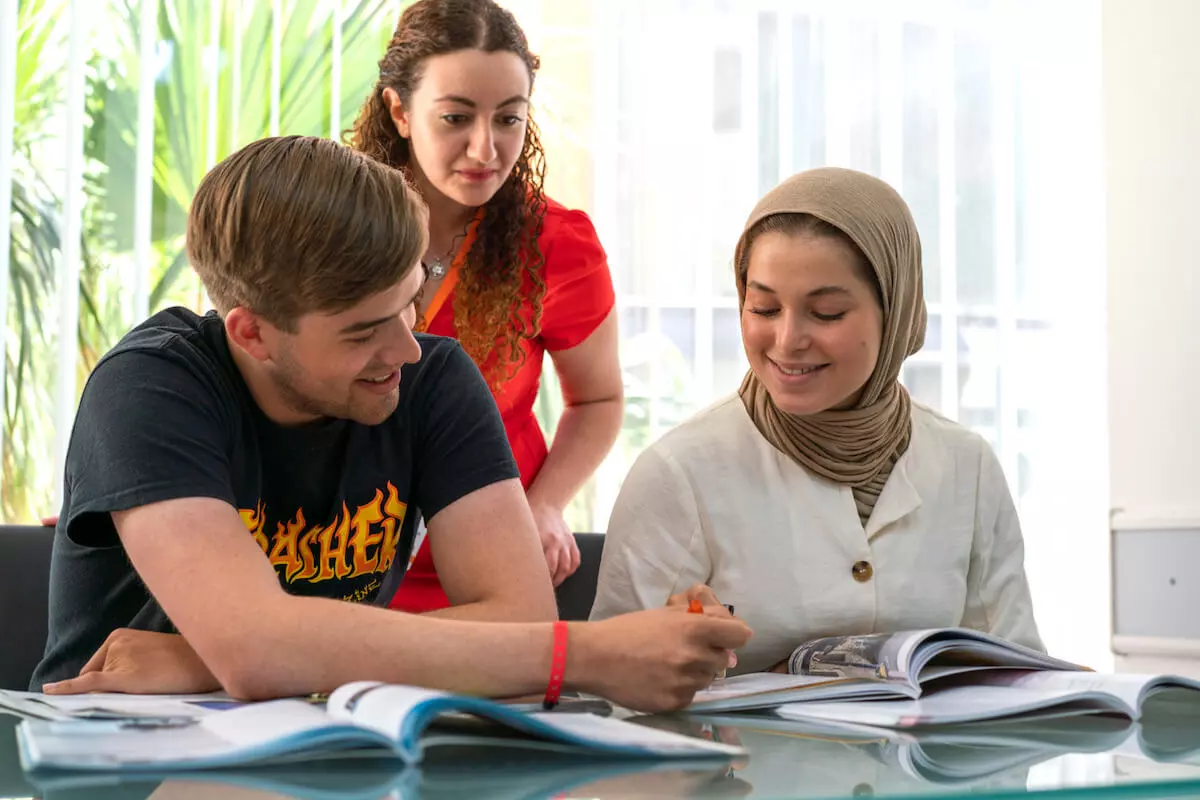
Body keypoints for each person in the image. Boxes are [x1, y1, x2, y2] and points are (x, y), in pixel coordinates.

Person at [31, 135, 749, 711]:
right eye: (362, 331)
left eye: (410, 300)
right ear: (251, 333)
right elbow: (254, 651)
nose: (405, 349)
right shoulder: (151, 387)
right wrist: (587, 657)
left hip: (336, 758)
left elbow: (517, 621)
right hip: (117, 763)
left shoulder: (431, 376)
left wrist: (206, 659)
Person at [590, 167, 1042, 674]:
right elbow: (607, 690)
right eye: (763, 307)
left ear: (896, 311)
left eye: (825, 313)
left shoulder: (967, 466)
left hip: (920, 756)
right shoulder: (678, 473)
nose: (787, 341)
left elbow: (1014, 676)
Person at [347, 0, 622, 611]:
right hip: (339, 562)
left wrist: (545, 503)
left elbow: (598, 400)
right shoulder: (331, 226)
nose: (485, 149)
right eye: (455, 118)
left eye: (508, 119)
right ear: (399, 110)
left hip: (493, 567)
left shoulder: (557, 245)